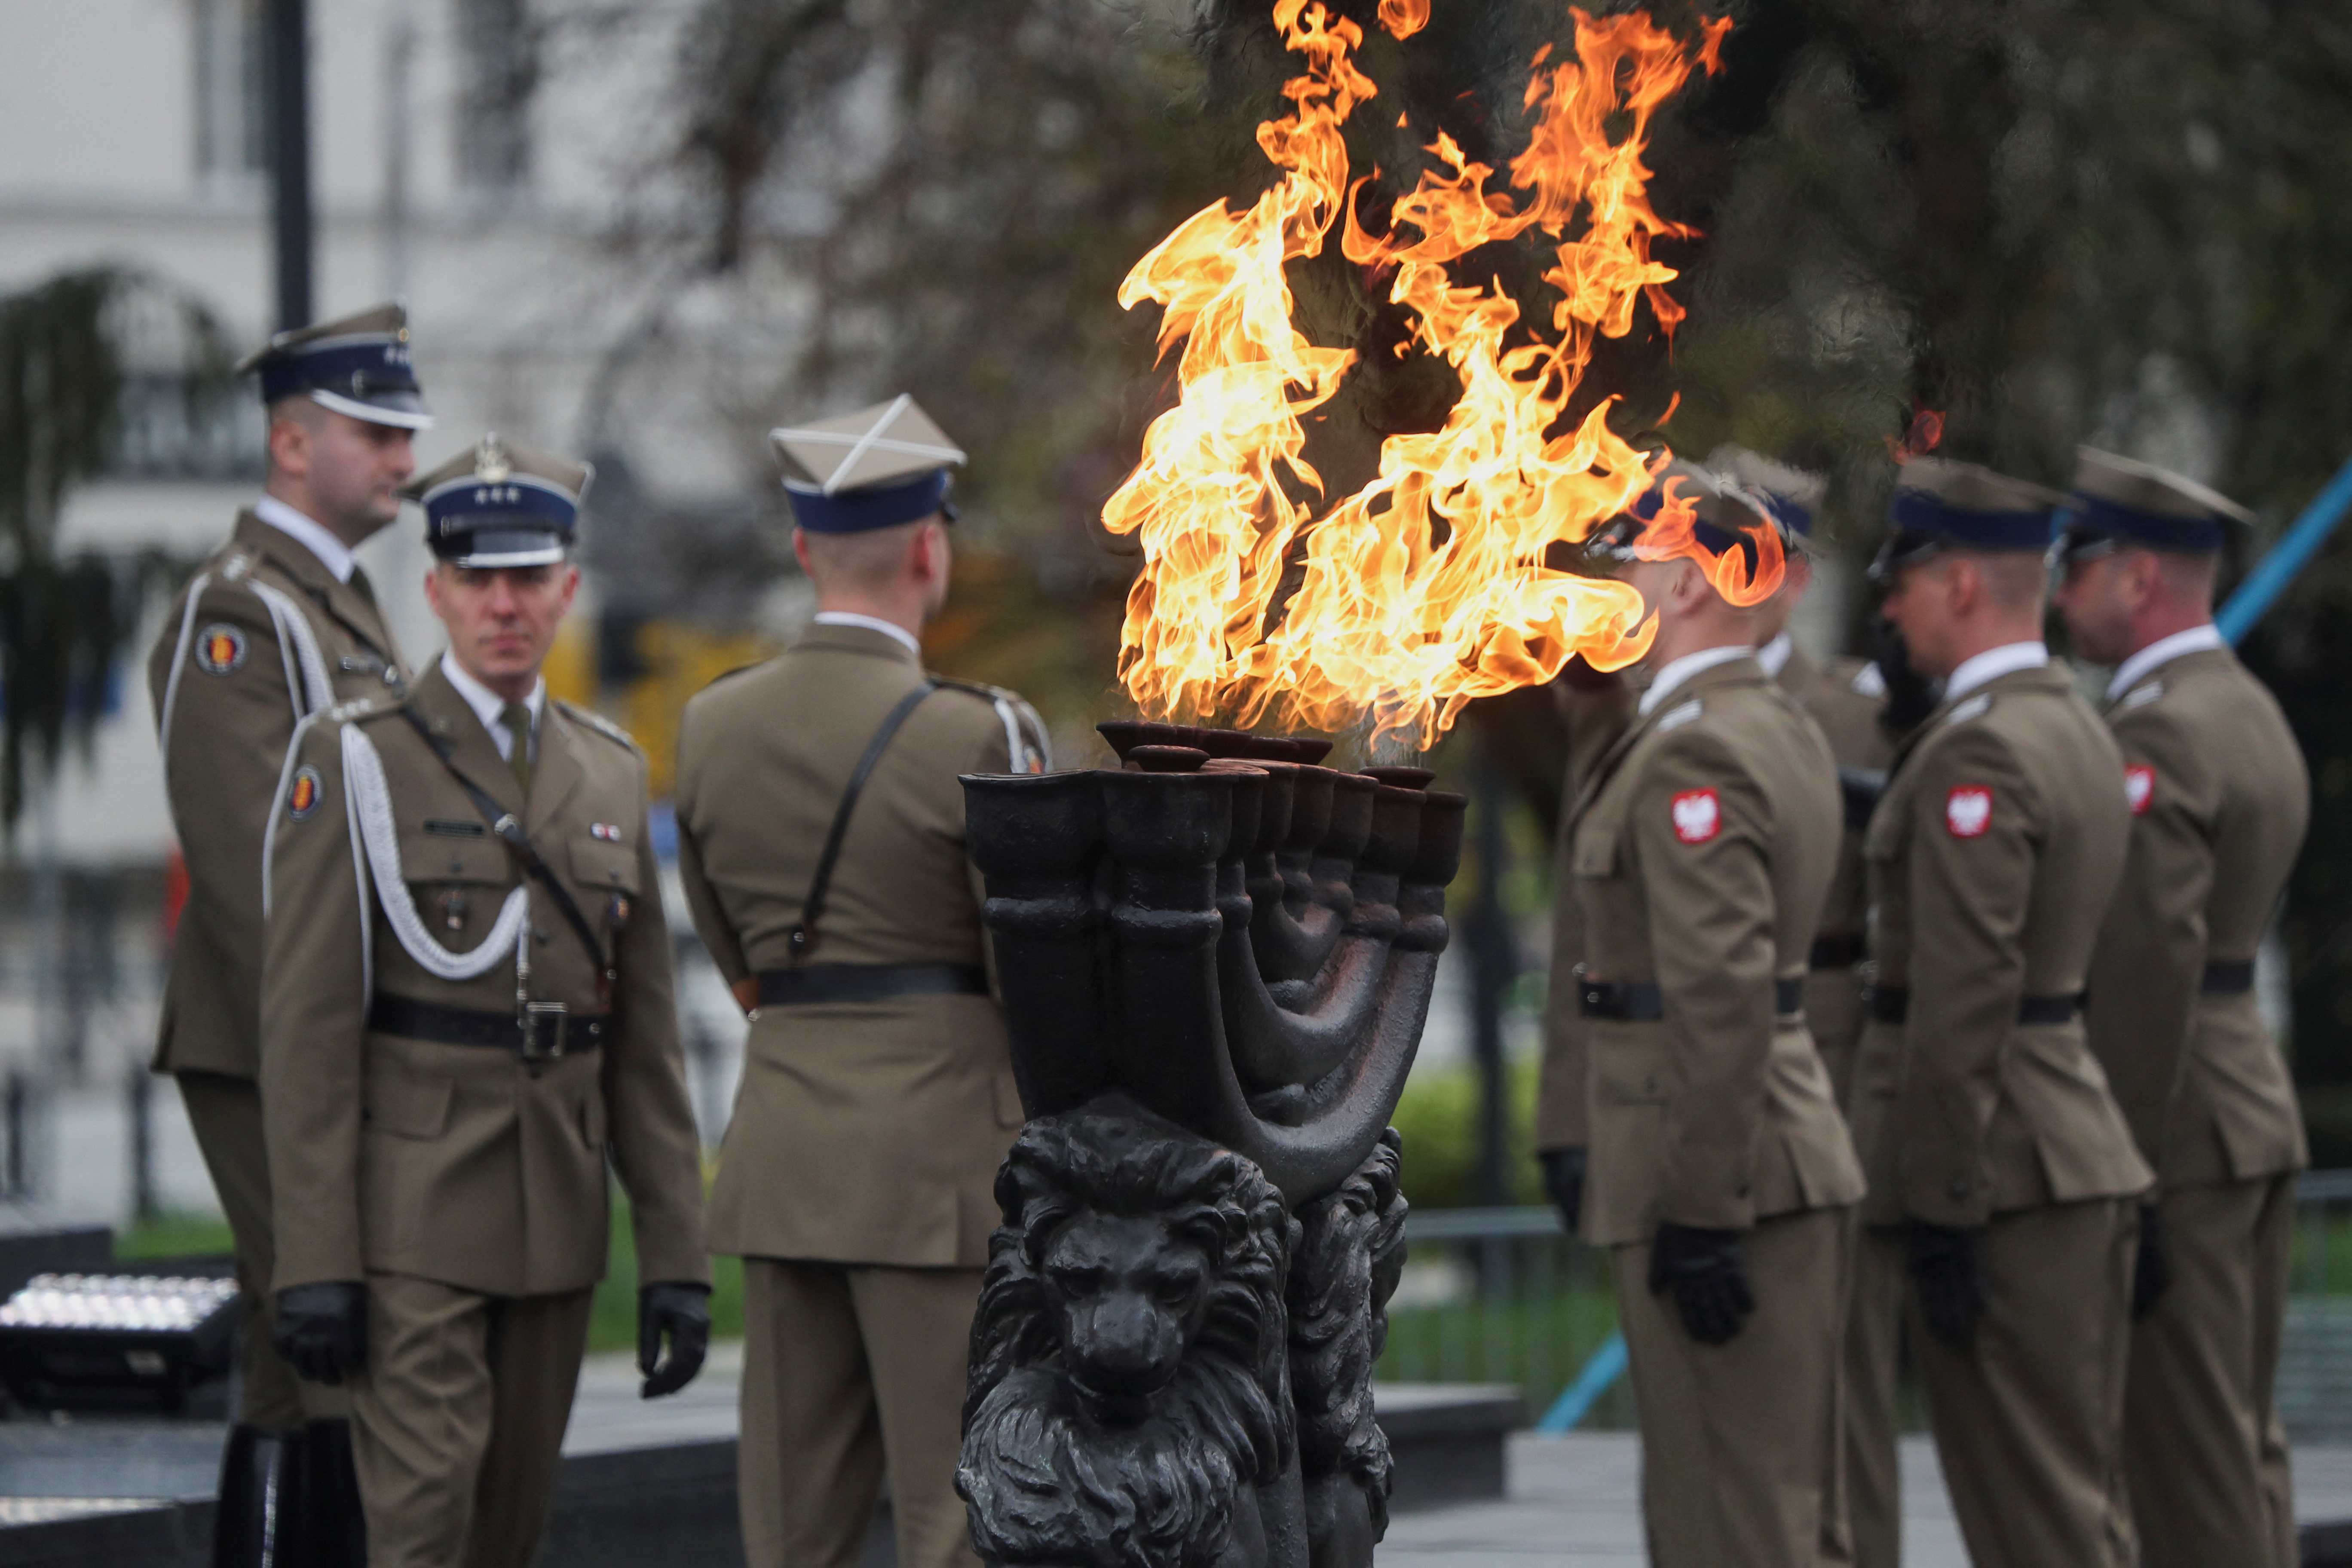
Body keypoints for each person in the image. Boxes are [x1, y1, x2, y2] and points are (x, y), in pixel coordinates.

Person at [257, 435, 712, 1568]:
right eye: (478, 579)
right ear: (437, 590)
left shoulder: (608, 769)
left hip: (557, 1214)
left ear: (567, 587)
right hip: (411, 1217)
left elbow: (644, 1040)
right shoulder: (358, 759)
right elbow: (309, 1031)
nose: (504, 605)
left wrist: (676, 1256)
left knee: (508, 1530)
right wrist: (315, 1256)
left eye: (528, 578)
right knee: (423, 1519)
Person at [672, 396, 1049, 1568]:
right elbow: (1025, 974)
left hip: (785, 1161)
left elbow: (733, 955)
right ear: (929, 549)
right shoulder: (977, 736)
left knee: (793, 1526)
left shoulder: (710, 724)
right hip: (936, 1175)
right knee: (955, 1517)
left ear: (802, 549)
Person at [146, 300, 427, 1564]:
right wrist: (374, 1037)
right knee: (328, 1350)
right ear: (291, 442)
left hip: (323, 1036)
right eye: (374, 431)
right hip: (278, 1038)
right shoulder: (243, 615)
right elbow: (256, 872)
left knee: (290, 1353)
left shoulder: (340, 606)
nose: (404, 461)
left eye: (403, 432)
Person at [1562, 461, 1864, 1567]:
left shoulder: (1695, 746)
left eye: (1638, 562)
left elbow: (1722, 998)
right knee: (1779, 1508)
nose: (1624, 587)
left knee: (1727, 1523)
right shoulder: (1769, 721)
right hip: (1769, 1155)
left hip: (1721, 1169)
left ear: (1691, 584)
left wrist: (1703, 1208)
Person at [1854, 455, 2152, 1568]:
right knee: (2077, 1499)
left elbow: (1965, 998)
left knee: (2034, 1515)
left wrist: (1945, 1202)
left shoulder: (1981, 747)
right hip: (2064, 1148)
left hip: (2006, 1173)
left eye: (1906, 584)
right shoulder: (2073, 724)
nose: (1890, 607)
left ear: (1964, 587)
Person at [2054, 448, 2309, 1568]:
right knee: (2242, 1444)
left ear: (2138, 578)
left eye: (2079, 569)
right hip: (2244, 1096)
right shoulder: (2243, 706)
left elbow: (2146, 969)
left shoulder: (2156, 730)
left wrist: (2127, 1166)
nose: (2063, 596)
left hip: (2179, 1126)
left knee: (2184, 1456)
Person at [1712, 445, 1903, 1568]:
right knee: (1716, 1392)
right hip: (1691, 1071)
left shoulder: (1854, 713)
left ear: (1790, 572)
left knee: (1846, 1369)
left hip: (1829, 1038)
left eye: (1760, 556)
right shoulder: (1657, 704)